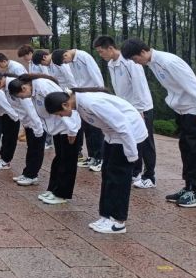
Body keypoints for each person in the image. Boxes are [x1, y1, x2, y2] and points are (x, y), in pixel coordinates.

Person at [121, 38, 196, 208]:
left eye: (135, 59)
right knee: (186, 149)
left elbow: (193, 85)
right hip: (184, 111)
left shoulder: (168, 62)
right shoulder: (154, 63)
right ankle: (188, 187)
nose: (137, 63)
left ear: (143, 52)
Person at [45, 89, 148, 234]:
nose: (61, 117)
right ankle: (106, 216)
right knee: (107, 175)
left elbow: (122, 125)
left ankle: (118, 222)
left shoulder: (91, 103)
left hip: (129, 135)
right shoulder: (79, 104)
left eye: (59, 114)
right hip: (113, 136)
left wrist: (132, 153)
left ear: (65, 105)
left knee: (119, 178)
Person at [8, 73, 82, 205]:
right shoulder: (34, 90)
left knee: (67, 162)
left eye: (21, 96)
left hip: (69, 129)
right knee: (59, 159)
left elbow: (65, 105)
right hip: (58, 129)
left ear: (24, 88)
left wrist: (72, 130)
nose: (23, 99)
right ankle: (53, 189)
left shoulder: (43, 86)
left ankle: (62, 194)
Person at [93, 36, 157, 189]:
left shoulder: (129, 62)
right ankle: (135, 172)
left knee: (146, 142)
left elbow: (139, 85)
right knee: (132, 139)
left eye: (102, 52)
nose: (101, 55)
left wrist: (140, 110)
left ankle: (150, 176)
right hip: (126, 108)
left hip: (142, 108)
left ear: (110, 48)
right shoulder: (111, 64)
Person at [52, 48, 105, 172]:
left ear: (66, 54)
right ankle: (92, 156)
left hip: (94, 96)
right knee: (88, 128)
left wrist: (101, 93)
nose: (66, 64)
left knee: (96, 129)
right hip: (83, 97)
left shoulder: (84, 56)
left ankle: (100, 158)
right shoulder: (72, 60)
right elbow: (77, 81)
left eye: (65, 62)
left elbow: (96, 75)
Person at [0, 71, 40, 178]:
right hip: (26, 121)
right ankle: (27, 173)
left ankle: (31, 175)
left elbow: (29, 107)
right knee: (31, 147)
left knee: (34, 149)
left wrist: (37, 127)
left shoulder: (14, 85)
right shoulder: (6, 86)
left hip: (33, 122)